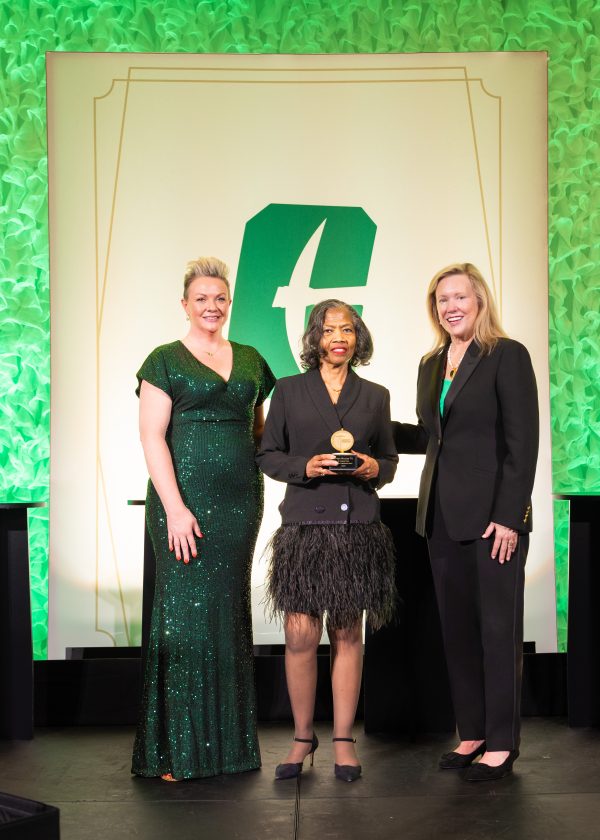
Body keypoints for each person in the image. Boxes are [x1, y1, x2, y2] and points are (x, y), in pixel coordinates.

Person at [131, 256, 275, 780]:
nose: (211, 306)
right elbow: (151, 436)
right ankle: (175, 751)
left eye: (219, 298)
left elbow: (257, 432)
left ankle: (229, 750)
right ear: (185, 304)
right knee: (185, 617)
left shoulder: (254, 360)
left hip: (241, 502)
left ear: (228, 301)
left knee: (228, 613)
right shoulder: (165, 360)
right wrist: (174, 508)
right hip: (182, 502)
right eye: (201, 298)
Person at [393, 262, 538, 781]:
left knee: (498, 631)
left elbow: (523, 446)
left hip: (492, 522)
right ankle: (472, 732)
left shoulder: (508, 356)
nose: (450, 307)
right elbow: (433, 435)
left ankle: (502, 741)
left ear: (479, 300)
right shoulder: (432, 362)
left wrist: (509, 518)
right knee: (457, 634)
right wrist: (367, 429)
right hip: (439, 517)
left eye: (459, 297)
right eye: (441, 300)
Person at [257, 299, 398, 783]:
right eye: (329, 329)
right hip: (303, 530)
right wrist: (305, 467)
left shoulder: (376, 395)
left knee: (346, 634)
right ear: (314, 337)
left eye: (348, 330)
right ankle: (301, 736)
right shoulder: (289, 391)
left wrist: (375, 468)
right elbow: (268, 454)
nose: (339, 337)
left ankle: (342, 739)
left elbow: (389, 460)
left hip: (356, 530)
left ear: (358, 338)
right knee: (299, 636)